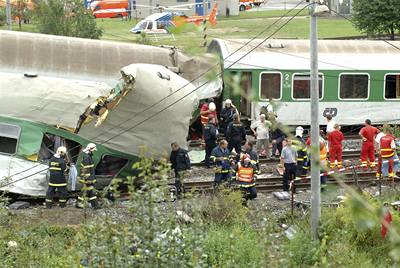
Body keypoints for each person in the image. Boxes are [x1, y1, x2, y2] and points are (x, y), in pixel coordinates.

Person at [77, 143, 99, 209]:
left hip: (90, 178)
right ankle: (79, 203)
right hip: (88, 179)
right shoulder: (87, 157)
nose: (94, 151)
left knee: (91, 191)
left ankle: (95, 205)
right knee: (86, 191)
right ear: (90, 149)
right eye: (93, 150)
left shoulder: (88, 156)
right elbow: (86, 170)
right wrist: (88, 180)